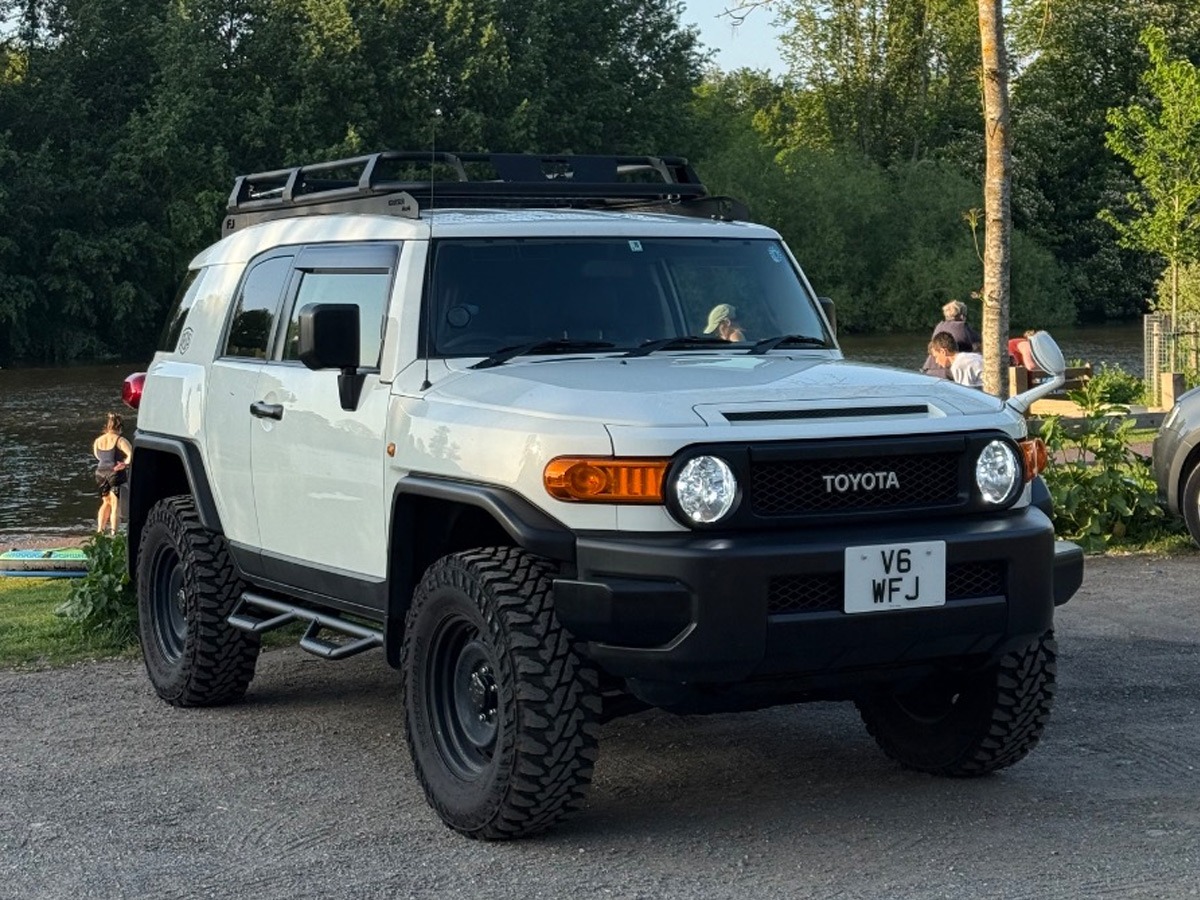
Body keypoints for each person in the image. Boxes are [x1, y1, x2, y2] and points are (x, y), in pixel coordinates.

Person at [93, 412, 132, 536]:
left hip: (100, 473)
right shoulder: (120, 440)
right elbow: (131, 455)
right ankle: (114, 534)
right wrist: (125, 464)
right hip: (115, 472)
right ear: (120, 427)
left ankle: (100, 531)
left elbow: (97, 456)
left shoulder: (98, 441)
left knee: (105, 502)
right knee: (115, 504)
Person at [921, 299, 981, 377]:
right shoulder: (962, 327)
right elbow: (982, 345)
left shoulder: (939, 326)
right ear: (962, 316)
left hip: (928, 370)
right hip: (948, 372)